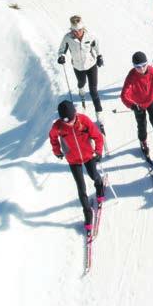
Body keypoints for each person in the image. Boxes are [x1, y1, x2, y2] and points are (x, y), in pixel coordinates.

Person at [49, 99, 106, 235]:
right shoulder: (58, 126)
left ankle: (99, 185)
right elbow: (52, 137)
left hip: (88, 156)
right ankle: (87, 212)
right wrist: (57, 151)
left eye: (71, 120)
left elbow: (98, 136)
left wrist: (98, 151)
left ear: (75, 114)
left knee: (94, 175)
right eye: (65, 121)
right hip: (73, 160)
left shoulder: (84, 121)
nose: (69, 123)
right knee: (81, 187)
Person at [120, 50, 153, 164]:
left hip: (151, 101)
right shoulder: (131, 76)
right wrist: (132, 106)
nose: (142, 69)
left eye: (143, 65)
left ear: (147, 63)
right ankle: (143, 142)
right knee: (142, 125)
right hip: (138, 105)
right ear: (134, 66)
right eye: (138, 67)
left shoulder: (152, 71)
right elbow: (123, 95)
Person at [57, 15, 104, 115]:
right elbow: (62, 50)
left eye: (79, 30)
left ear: (83, 28)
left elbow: (97, 46)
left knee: (93, 90)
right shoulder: (68, 38)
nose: (77, 33)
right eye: (74, 30)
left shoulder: (90, 36)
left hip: (91, 65)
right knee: (81, 83)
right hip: (78, 67)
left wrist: (99, 56)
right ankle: (81, 90)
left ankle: (99, 113)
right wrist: (61, 56)